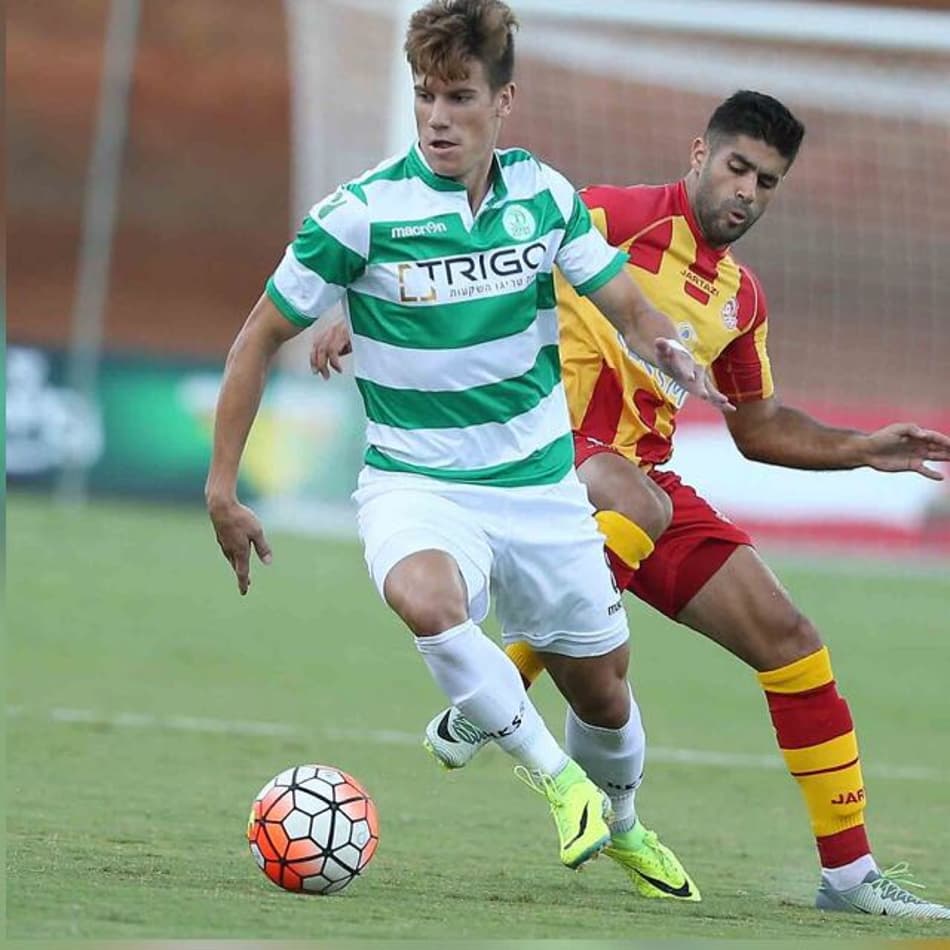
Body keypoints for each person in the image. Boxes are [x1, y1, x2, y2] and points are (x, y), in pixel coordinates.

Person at [310, 90, 950, 918]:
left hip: (640, 491)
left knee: (792, 640)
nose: (747, 191)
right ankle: (507, 682)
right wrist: (362, 309)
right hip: (540, 459)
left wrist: (865, 449)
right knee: (633, 499)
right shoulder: (610, 215)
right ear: (699, 153)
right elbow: (470, 250)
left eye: (767, 181)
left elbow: (758, 428)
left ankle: (851, 877)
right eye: (737, 168)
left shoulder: (741, 298)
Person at [206, 0, 732, 897]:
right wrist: (223, 486)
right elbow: (256, 337)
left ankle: (623, 823)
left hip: (539, 487)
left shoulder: (544, 197)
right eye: (425, 96)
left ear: (503, 101)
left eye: (458, 97)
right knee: (424, 597)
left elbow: (625, 303)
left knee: (604, 692)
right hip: (416, 484)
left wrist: (667, 347)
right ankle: (558, 784)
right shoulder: (360, 214)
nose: (437, 118)